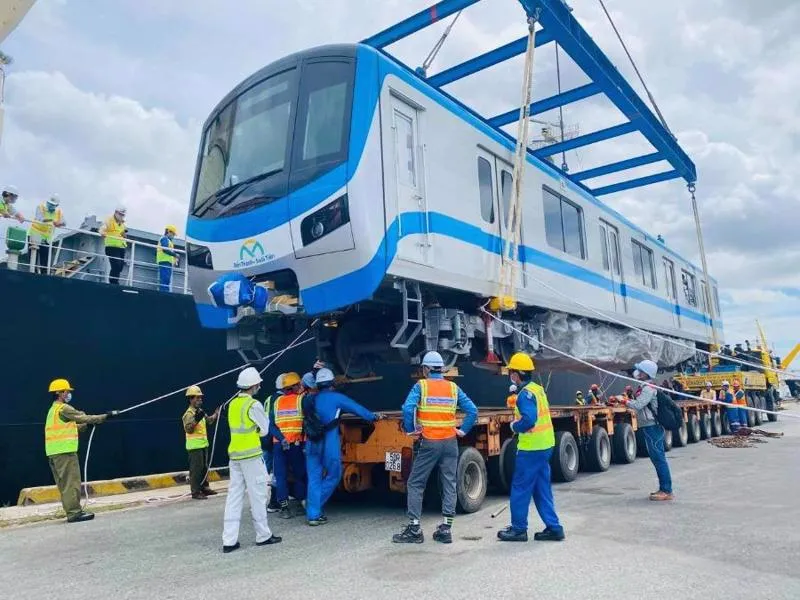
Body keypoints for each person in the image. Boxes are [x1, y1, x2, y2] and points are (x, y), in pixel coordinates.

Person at [393, 351, 478, 544]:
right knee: (449, 482)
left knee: (415, 483)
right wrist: (463, 430)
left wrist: (410, 429)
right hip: (450, 442)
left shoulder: (421, 386)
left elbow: (408, 408)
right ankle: (446, 529)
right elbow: (472, 410)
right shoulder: (453, 388)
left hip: (430, 442)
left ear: (426, 369)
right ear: (441, 369)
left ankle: (414, 529)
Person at [497, 353, 564, 542]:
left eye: (511, 372)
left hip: (531, 448)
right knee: (541, 488)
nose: (510, 375)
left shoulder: (524, 395)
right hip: (545, 444)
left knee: (520, 487)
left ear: (517, 374)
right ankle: (554, 527)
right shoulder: (537, 389)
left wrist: (513, 426)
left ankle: (518, 529)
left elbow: (529, 419)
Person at [303, 367, 379, 526]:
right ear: (332, 383)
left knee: (314, 478)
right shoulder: (337, 398)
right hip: (328, 442)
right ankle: (313, 506)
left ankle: (313, 513)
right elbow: (357, 409)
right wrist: (374, 416)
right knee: (334, 474)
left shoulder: (309, 399)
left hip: (311, 442)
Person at [222, 367, 282, 553]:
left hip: (235, 457)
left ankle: (229, 541)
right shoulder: (253, 405)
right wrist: (256, 431)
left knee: (234, 497)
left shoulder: (232, 404)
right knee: (258, 495)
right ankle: (263, 535)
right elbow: (264, 429)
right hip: (251, 457)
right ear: (254, 385)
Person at [44, 378, 118, 523]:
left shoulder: (53, 410)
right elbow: (84, 417)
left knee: (64, 485)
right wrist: (106, 416)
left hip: (54, 453)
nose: (68, 394)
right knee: (72, 483)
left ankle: (72, 511)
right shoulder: (64, 408)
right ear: (60, 393)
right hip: (65, 453)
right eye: (67, 391)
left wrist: (85, 427)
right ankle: (74, 513)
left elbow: (69, 428)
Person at [622, 359, 673, 501]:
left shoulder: (648, 389)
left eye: (640, 370)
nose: (637, 372)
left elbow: (638, 405)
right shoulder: (644, 387)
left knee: (659, 458)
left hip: (652, 426)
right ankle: (664, 489)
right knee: (656, 458)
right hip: (649, 426)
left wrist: (624, 401)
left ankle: (666, 490)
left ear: (646, 373)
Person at [270, 372, 307, 518]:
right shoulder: (301, 400)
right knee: (299, 474)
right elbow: (306, 423)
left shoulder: (276, 402)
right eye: (299, 384)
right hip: (295, 444)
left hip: (279, 444)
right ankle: (302, 502)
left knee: (281, 476)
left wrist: (281, 438)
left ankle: (284, 508)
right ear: (295, 386)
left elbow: (271, 425)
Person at [182, 385, 220, 499]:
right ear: (191, 399)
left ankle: (205, 487)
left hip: (203, 445)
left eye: (200, 398)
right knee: (196, 470)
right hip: (194, 447)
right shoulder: (188, 414)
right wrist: (196, 419)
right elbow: (188, 429)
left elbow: (209, 421)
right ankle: (195, 492)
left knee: (204, 468)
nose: (200, 400)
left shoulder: (201, 412)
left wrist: (216, 414)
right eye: (197, 398)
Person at [263, 374, 285, 514]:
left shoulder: (268, 399)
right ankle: (274, 502)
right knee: (277, 472)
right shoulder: (281, 400)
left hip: (265, 440)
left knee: (265, 473)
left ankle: (261, 502)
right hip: (275, 440)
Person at [29, 195, 65, 274]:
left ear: (56, 205)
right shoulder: (40, 207)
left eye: (53, 204)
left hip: (46, 239)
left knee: (45, 259)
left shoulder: (58, 212)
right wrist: (52, 220)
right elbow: (40, 218)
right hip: (35, 234)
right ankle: (32, 274)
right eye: (49, 203)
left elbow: (64, 223)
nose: (50, 205)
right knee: (32, 259)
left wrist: (60, 223)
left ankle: (43, 275)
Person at [100, 206, 128, 285]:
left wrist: (124, 235)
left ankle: (115, 281)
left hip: (121, 247)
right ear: (115, 212)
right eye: (120, 214)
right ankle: (113, 282)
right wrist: (102, 232)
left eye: (123, 215)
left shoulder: (122, 223)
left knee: (120, 266)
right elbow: (102, 228)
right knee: (116, 264)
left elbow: (122, 232)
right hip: (112, 247)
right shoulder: (109, 220)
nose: (121, 216)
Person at [157, 225, 179, 292]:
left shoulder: (169, 241)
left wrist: (175, 259)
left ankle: (165, 292)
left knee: (166, 280)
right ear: (169, 232)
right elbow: (165, 249)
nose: (173, 236)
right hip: (164, 261)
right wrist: (175, 255)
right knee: (165, 279)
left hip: (167, 262)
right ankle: (164, 293)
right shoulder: (164, 239)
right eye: (173, 234)